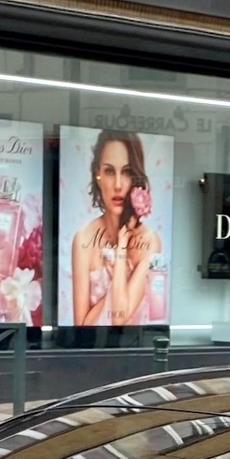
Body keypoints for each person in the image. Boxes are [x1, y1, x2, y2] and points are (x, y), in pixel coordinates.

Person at [69, 131, 164, 330]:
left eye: (127, 172)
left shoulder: (150, 241)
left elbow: (119, 318)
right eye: (110, 171)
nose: (118, 185)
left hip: (139, 350)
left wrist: (121, 252)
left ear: (136, 178)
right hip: (93, 352)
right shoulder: (84, 238)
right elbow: (82, 328)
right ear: (98, 176)